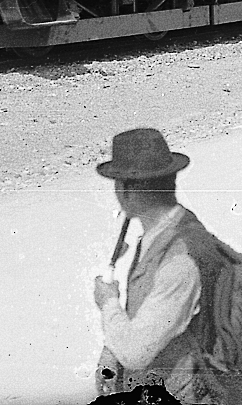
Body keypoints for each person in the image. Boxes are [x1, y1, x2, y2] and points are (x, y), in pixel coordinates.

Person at [92, 128, 215, 404]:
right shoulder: (161, 233)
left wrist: (108, 303)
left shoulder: (180, 257)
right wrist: (112, 350)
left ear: (125, 190)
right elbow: (148, 314)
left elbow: (136, 351)